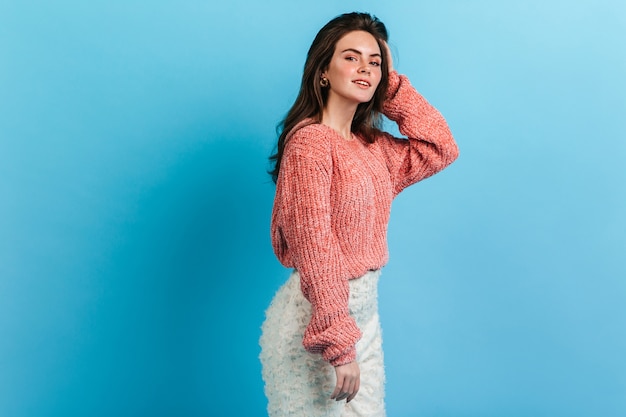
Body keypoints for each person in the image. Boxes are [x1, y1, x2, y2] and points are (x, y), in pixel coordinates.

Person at [259, 12, 459, 417]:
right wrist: (338, 342)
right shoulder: (311, 144)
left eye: (375, 61)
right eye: (351, 58)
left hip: (364, 322)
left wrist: (392, 85)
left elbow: (441, 147)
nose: (365, 68)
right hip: (316, 325)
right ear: (323, 72)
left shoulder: (374, 149)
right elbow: (317, 250)